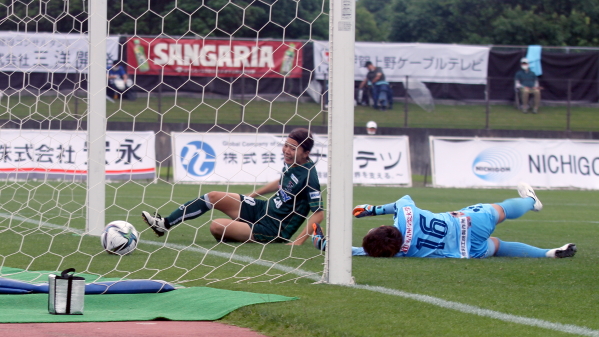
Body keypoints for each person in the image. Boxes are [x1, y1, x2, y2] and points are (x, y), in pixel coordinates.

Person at [142, 128, 323, 245]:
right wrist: (254, 194)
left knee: (216, 227)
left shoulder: (309, 175)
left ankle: (246, 231)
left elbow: (319, 213)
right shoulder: (291, 164)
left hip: (273, 229)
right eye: (286, 145)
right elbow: (281, 182)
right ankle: (164, 224)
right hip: (263, 209)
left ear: (306, 153)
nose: (286, 151)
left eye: (293, 148)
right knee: (214, 196)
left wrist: (298, 242)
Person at [312, 182, 576, 259]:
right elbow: (403, 199)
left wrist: (321, 242)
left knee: (497, 246)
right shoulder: (406, 214)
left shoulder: (398, 254)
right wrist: (372, 209)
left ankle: (549, 254)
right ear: (385, 228)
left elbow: (354, 252)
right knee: (501, 210)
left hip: (466, 251)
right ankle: (531, 201)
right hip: (467, 223)